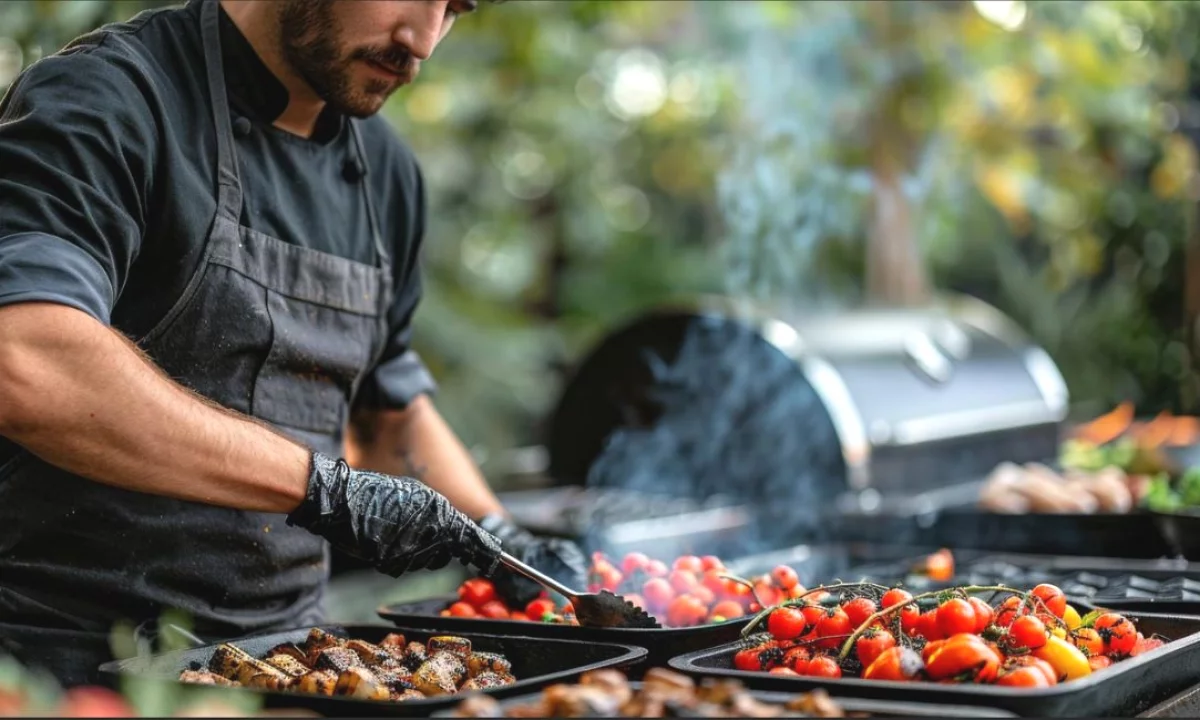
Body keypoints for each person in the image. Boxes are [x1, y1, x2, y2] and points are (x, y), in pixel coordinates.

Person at [0, 0, 586, 687]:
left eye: (455, 6)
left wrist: (503, 541)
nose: (423, 39)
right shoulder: (109, 98)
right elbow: (28, 361)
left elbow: (386, 412)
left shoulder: (386, 174)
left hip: (301, 669)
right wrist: (323, 488)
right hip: (67, 670)